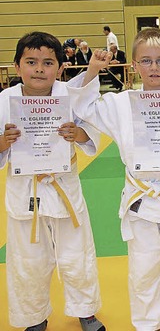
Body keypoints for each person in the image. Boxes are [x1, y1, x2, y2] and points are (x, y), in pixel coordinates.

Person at [66, 28, 160, 331]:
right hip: (140, 200)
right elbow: (84, 108)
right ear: (134, 65)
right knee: (143, 268)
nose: (154, 67)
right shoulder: (120, 104)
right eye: (146, 61)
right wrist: (93, 69)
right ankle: (149, 322)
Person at [0, 32, 105, 331]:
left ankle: (85, 309)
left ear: (59, 68)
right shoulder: (4, 100)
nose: (39, 69)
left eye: (48, 63)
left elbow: (90, 130)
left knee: (77, 255)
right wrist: (3, 142)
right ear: (17, 66)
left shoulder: (68, 95)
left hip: (64, 188)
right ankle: (33, 316)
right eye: (30, 62)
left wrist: (78, 134)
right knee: (27, 260)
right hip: (25, 190)